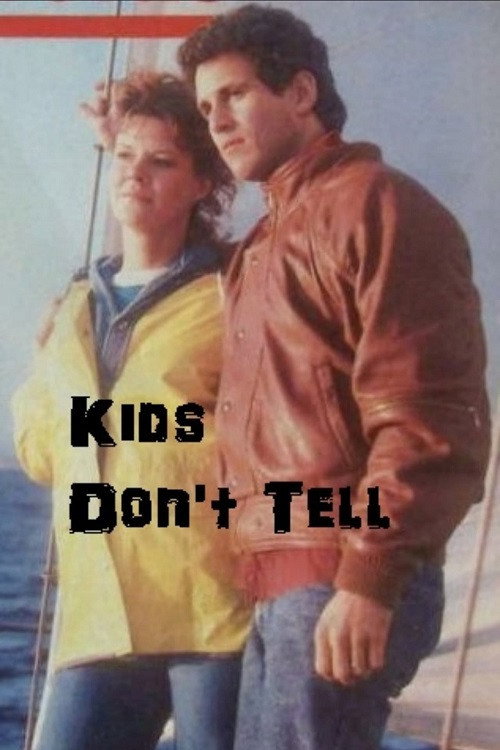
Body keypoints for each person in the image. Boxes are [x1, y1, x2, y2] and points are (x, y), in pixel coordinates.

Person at [174, 4, 491, 749]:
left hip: (338, 576)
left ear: (301, 92)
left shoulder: (376, 204)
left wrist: (369, 578)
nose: (218, 122)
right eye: (206, 107)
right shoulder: (264, 241)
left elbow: (427, 414)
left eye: (235, 95)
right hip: (278, 582)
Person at [12, 70, 250, 750]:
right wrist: (44, 363)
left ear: (202, 182)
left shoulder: (232, 292)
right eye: (124, 156)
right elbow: (39, 456)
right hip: (100, 617)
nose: (135, 175)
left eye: (162, 162)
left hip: (211, 610)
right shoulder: (74, 307)